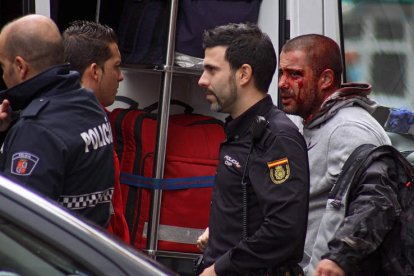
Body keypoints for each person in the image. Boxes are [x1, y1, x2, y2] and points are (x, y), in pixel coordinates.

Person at [197, 22, 310, 275]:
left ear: (244, 74)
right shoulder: (241, 129)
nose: (202, 80)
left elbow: (284, 231)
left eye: (211, 70)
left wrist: (220, 268)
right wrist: (219, 232)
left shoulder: (277, 138)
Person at [278, 34, 392, 275]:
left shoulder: (348, 131)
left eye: (294, 74)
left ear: (326, 79)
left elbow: (360, 214)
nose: (282, 83)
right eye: (282, 73)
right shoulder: (315, 124)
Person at [0, 14, 114, 228]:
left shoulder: (35, 131)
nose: (4, 75)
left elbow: (16, 224)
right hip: (89, 249)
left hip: (46, 259)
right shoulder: (88, 103)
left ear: (20, 66)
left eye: (3, 66)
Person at [62, 20, 129, 243]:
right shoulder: (74, 124)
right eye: (116, 66)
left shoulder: (95, 116)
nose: (120, 76)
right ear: (95, 71)